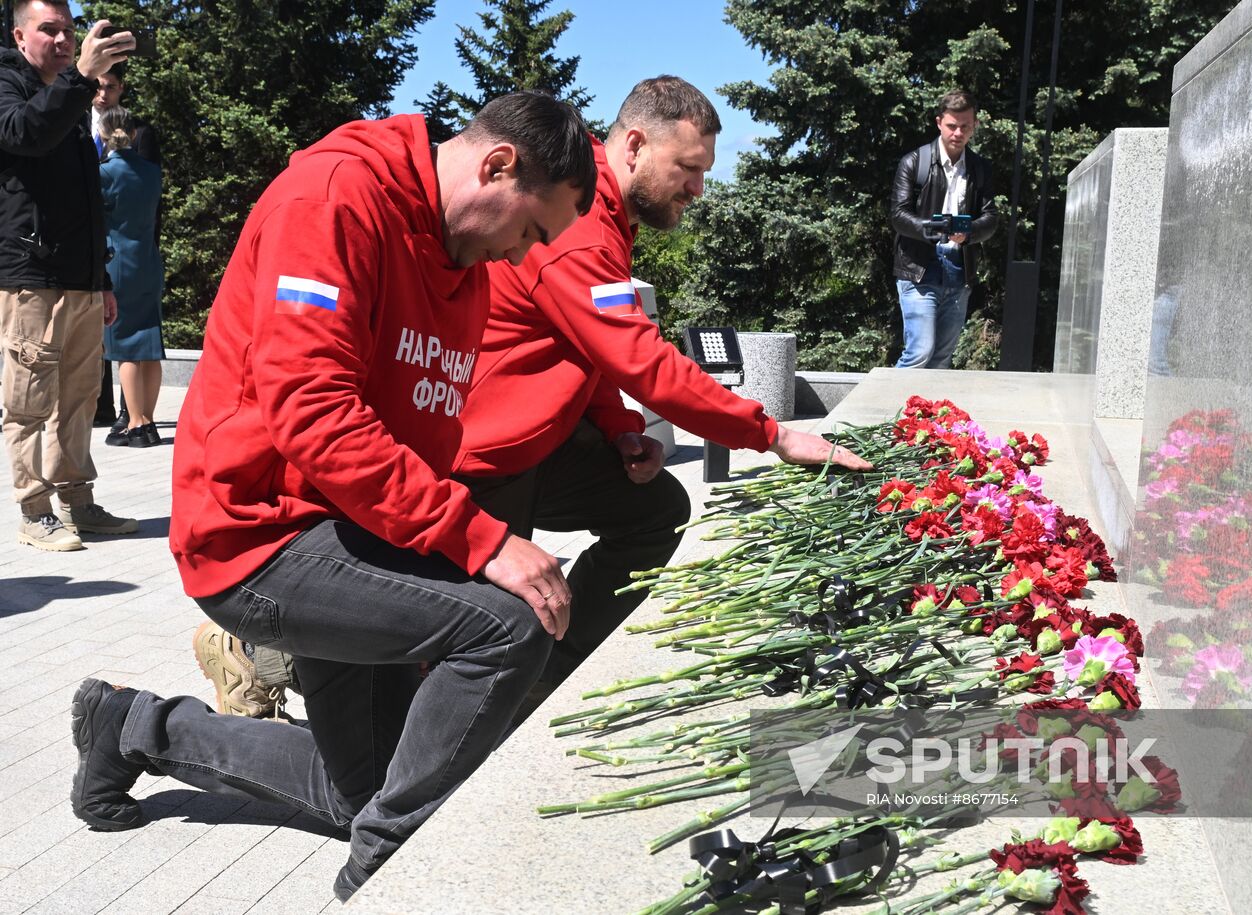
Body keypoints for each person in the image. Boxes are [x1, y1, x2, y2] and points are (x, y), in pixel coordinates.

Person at [194, 76, 873, 722]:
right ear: (635, 146)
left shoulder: (589, 211)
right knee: (470, 627)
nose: (698, 188)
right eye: (688, 168)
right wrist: (773, 435)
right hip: (480, 451)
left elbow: (585, 343)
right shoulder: (568, 217)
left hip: (532, 440)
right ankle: (264, 654)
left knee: (648, 513)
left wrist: (616, 424)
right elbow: (640, 358)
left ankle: (535, 681)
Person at [68, 91, 596, 902]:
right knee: (510, 625)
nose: (521, 255)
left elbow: (426, 433)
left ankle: (134, 725)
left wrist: (438, 578)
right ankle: (386, 872)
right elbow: (311, 410)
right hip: (258, 536)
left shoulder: (466, 267)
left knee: (374, 787)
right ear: (498, 166)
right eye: (531, 229)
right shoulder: (334, 200)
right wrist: (482, 542)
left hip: (353, 537)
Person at [0, 1, 138, 551]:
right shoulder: (9, 84)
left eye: (68, 30)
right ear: (19, 36)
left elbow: (87, 199)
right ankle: (34, 512)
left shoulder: (72, 96)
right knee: (29, 400)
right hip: (31, 273)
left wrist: (101, 277)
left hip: (81, 276)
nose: (62, 40)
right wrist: (79, 78)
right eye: (48, 30)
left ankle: (78, 502)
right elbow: (25, 134)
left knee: (80, 398)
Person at [890, 89, 998, 370]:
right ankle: (890, 399)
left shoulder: (980, 168)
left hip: (959, 269)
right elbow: (898, 215)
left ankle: (927, 404)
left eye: (965, 126)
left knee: (941, 358)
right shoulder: (915, 162)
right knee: (920, 352)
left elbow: (990, 218)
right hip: (919, 267)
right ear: (939, 122)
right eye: (952, 125)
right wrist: (930, 229)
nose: (958, 133)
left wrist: (969, 232)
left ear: (974, 125)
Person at [89, 64, 160, 430]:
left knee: (126, 348)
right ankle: (147, 419)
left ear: (104, 134)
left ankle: (134, 423)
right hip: (148, 260)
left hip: (117, 262)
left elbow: (94, 217)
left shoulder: (104, 172)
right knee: (149, 346)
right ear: (132, 134)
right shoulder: (152, 172)